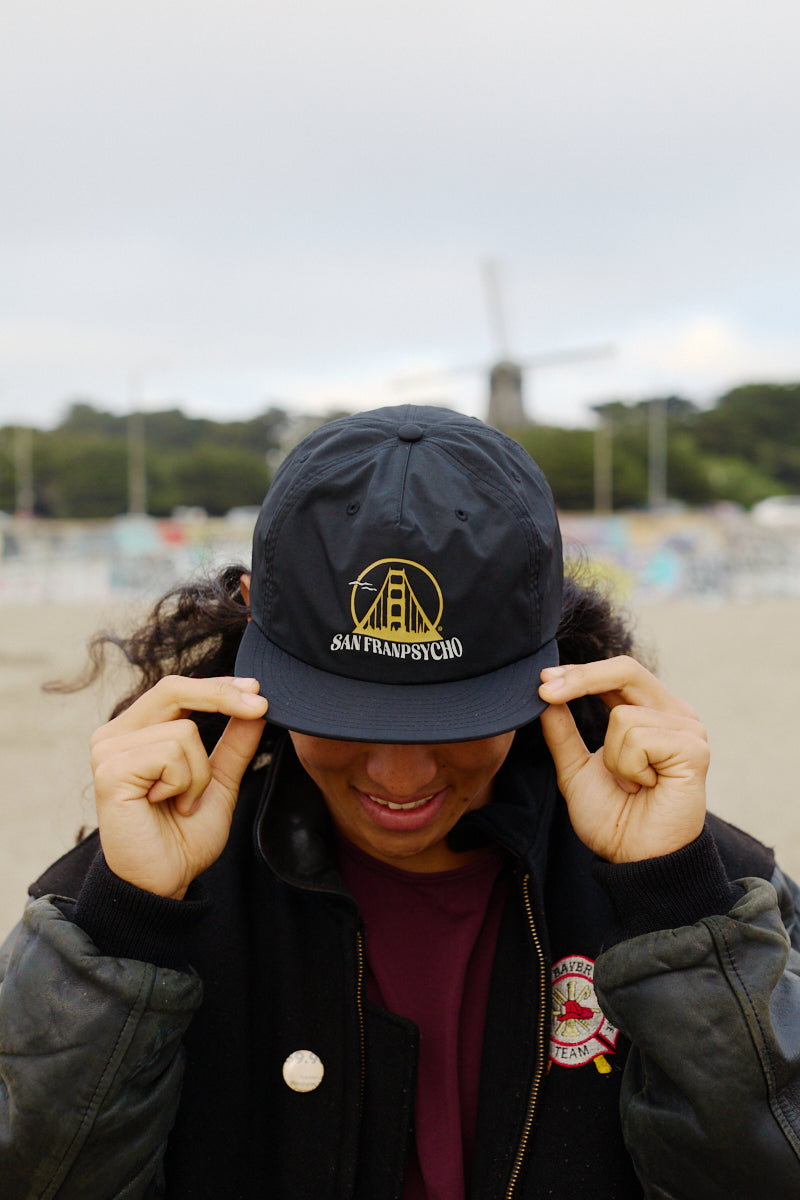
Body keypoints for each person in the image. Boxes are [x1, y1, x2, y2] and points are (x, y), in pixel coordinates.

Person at [1, 404, 799, 1200]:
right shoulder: (122, 899)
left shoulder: (716, 893)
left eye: (457, 720)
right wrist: (127, 923)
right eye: (342, 716)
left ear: (553, 652)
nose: (402, 776)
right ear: (256, 628)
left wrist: (678, 907)